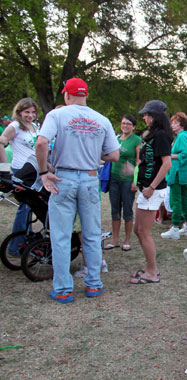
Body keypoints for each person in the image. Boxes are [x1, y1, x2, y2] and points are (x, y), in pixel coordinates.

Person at [35, 78, 120, 302]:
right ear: (86, 95)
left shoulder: (57, 115)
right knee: (92, 235)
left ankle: (63, 289)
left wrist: (44, 173)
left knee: (61, 236)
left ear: (67, 95)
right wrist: (93, 154)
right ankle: (93, 284)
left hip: (63, 177)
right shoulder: (101, 119)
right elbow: (114, 155)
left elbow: (41, 143)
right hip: (90, 178)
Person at [130, 100, 173, 285]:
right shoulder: (152, 135)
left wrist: (152, 187)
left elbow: (167, 164)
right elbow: (149, 161)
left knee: (143, 231)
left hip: (152, 190)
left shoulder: (162, 135)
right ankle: (149, 268)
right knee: (138, 230)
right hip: (147, 188)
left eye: (147, 114)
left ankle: (152, 272)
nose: (144, 117)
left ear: (155, 116)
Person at [0, 98, 41, 255]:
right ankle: (15, 247)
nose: (30, 115)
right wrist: (5, 168)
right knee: (24, 208)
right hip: (21, 170)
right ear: (19, 112)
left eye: (32, 112)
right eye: (26, 112)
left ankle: (25, 241)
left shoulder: (33, 127)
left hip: (34, 170)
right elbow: (1, 142)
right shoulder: (15, 126)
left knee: (31, 208)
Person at [106, 114, 141, 252]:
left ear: (133, 126)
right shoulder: (116, 139)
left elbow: (139, 161)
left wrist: (135, 181)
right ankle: (115, 240)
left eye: (128, 124)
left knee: (127, 210)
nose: (125, 126)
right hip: (114, 179)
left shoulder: (136, 140)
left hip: (128, 181)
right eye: (123, 123)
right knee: (115, 210)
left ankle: (127, 239)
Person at [161, 112, 187, 240]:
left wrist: (170, 155)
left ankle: (175, 227)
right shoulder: (186, 136)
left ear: (181, 124)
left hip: (178, 173)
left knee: (175, 200)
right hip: (182, 174)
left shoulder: (182, 136)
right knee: (183, 199)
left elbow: (185, 153)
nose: (172, 125)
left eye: (175, 123)